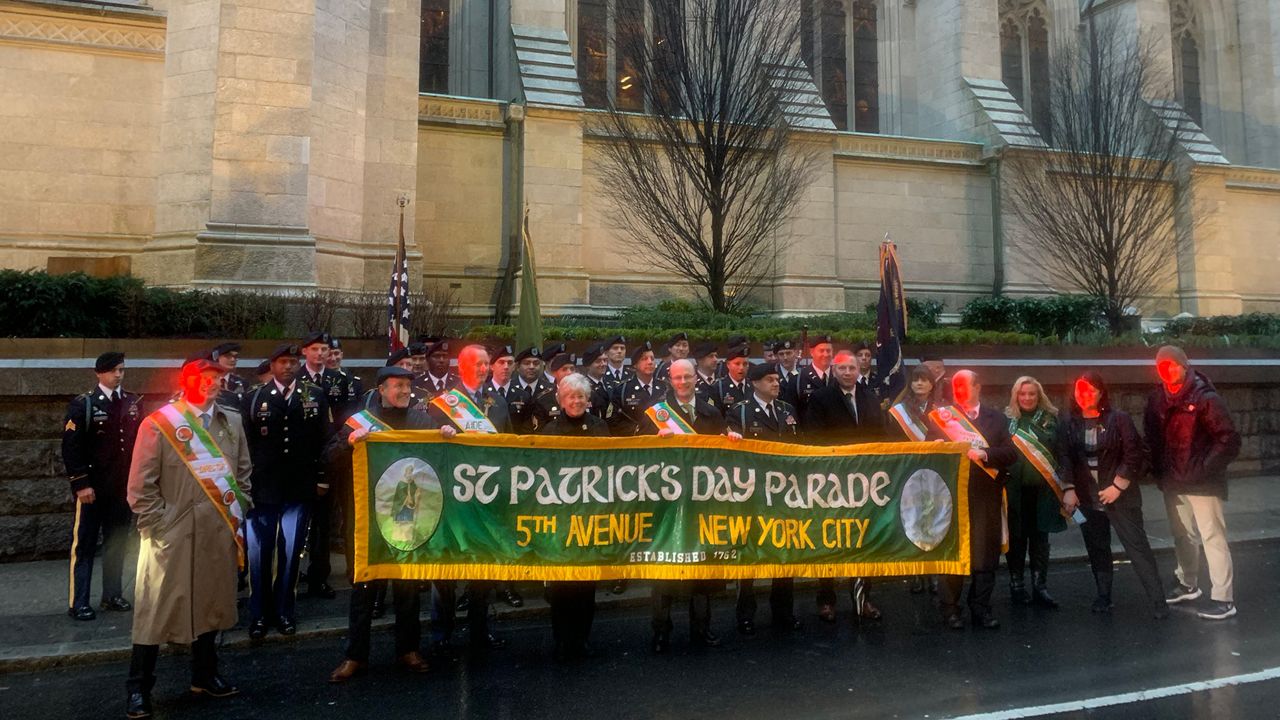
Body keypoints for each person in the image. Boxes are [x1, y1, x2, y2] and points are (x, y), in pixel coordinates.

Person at [125, 356, 252, 719]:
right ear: (188, 381)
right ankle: (138, 688)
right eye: (206, 377)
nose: (214, 383)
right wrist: (159, 523)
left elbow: (242, 473)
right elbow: (140, 485)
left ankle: (205, 675)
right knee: (155, 612)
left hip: (217, 529)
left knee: (211, 606)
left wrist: (240, 506)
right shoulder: (160, 424)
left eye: (218, 377)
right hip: (173, 534)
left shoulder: (232, 422)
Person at [325, 366, 458, 683]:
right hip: (367, 523)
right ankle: (355, 656)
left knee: (408, 588)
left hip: (409, 520)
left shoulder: (423, 421)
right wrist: (349, 444)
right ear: (381, 389)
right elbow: (328, 458)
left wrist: (450, 437)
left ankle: (408, 650)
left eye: (408, 385)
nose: (404, 391)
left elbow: (447, 460)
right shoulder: (360, 422)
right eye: (397, 385)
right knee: (364, 591)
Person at [1145, 345, 1242, 620]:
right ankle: (1188, 583)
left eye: (1172, 365)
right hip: (1173, 480)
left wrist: (1201, 468)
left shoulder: (1205, 397)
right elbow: (1153, 437)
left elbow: (1229, 439)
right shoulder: (1157, 399)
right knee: (1182, 534)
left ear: (1184, 366)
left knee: (1212, 537)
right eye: (1162, 366)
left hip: (1202, 482)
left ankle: (1224, 599)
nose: (1167, 371)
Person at [1060, 372, 1167, 618]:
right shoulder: (1068, 422)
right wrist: (1068, 489)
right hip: (1086, 500)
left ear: (1100, 393)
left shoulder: (1119, 419)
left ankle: (1158, 601)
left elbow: (1135, 454)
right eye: (1079, 390)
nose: (1084, 395)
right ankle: (1103, 596)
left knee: (1137, 547)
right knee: (1096, 547)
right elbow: (1064, 457)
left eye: (1089, 390)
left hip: (1121, 497)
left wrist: (1118, 485)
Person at [241, 343, 331, 638]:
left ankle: (284, 612)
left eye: (293, 362)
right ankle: (258, 615)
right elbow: (246, 446)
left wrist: (321, 477)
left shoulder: (315, 396)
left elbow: (323, 441)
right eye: (283, 362)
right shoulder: (254, 399)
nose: (289, 367)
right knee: (259, 555)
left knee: (291, 553)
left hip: (298, 488)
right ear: (272, 365)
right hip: (262, 489)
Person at [645, 359, 734, 653]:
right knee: (664, 570)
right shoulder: (656, 414)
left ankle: (702, 628)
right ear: (670, 381)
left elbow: (723, 456)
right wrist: (652, 440)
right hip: (666, 503)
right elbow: (634, 453)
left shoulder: (711, 412)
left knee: (702, 569)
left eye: (688, 377)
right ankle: (660, 631)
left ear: (697, 378)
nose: (683, 382)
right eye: (677, 377)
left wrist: (733, 442)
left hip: (701, 501)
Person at [427, 344, 510, 654]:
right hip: (451, 495)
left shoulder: (498, 403)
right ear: (461, 366)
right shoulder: (442, 405)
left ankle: (480, 629)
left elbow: (509, 446)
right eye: (477, 363)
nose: (483, 369)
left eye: (486, 363)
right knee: (444, 566)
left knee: (482, 566)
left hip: (487, 495)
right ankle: (441, 632)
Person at [928, 370, 1016, 630]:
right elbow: (928, 451)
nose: (959, 391)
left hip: (985, 496)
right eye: (955, 386)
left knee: (985, 555)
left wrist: (985, 454)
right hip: (951, 494)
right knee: (953, 550)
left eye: (964, 386)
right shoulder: (941, 419)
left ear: (978, 387)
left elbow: (1011, 454)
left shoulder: (997, 419)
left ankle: (981, 608)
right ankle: (950, 608)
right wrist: (937, 447)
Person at [803, 350, 884, 623]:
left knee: (863, 539)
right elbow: (813, 437)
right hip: (831, 480)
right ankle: (826, 600)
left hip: (865, 482)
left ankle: (862, 599)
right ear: (834, 371)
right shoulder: (820, 398)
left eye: (852, 368)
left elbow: (881, 438)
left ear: (858, 369)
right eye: (842, 368)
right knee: (830, 538)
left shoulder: (870, 398)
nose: (848, 373)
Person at [61, 351, 143, 621]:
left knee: (116, 543)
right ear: (99, 373)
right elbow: (71, 448)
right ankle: (79, 601)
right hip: (93, 490)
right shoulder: (83, 404)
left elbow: (138, 446)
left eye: (121, 370)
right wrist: (81, 484)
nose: (118, 375)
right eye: (113, 370)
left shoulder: (132, 402)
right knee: (84, 545)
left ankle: (112, 595)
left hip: (121, 488)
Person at [538, 373, 611, 661]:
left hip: (590, 515)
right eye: (571, 396)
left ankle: (582, 638)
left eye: (581, 396)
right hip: (560, 516)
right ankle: (561, 638)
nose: (576, 401)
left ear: (588, 399)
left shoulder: (600, 427)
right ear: (561, 400)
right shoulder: (549, 430)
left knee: (586, 584)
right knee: (561, 584)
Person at [727, 363, 802, 635]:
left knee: (784, 553)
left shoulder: (787, 411)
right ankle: (745, 615)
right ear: (755, 383)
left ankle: (783, 612)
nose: (776, 383)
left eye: (776, 379)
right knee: (749, 555)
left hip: (784, 494)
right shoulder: (741, 412)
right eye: (770, 379)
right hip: (753, 494)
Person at [1004, 376, 1067, 608]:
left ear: (1039, 396)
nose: (1027, 398)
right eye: (1022, 394)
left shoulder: (1051, 420)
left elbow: (1061, 454)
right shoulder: (1006, 421)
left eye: (1031, 394)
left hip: (1043, 493)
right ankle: (1016, 585)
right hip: (1014, 492)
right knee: (1016, 538)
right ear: (1015, 396)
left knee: (1040, 539)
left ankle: (1040, 587)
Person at [888, 365, 939, 594]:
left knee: (934, 518)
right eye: (916, 380)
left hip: (935, 471)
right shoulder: (899, 411)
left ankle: (934, 570)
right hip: (908, 471)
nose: (919, 384)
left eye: (924, 380)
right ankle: (917, 571)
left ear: (932, 384)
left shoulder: (942, 410)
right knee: (913, 520)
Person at [607, 342, 668, 436]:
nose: (650, 362)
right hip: (634, 442)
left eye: (652, 358)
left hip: (663, 440)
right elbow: (613, 420)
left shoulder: (665, 387)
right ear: (635, 365)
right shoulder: (622, 390)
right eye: (644, 359)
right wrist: (637, 431)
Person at [795, 334, 835, 415]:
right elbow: (792, 411)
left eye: (828, 351)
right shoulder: (798, 379)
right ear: (812, 352)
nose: (826, 354)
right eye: (821, 351)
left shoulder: (839, 377)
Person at [710, 345, 752, 412]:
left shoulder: (754, 386)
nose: (741, 368)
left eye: (745, 364)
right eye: (737, 364)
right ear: (728, 364)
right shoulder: (718, 388)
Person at [773, 339, 801, 409]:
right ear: (777, 356)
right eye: (781, 354)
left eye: (788, 353)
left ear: (796, 353)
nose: (785, 357)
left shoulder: (803, 373)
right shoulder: (772, 374)